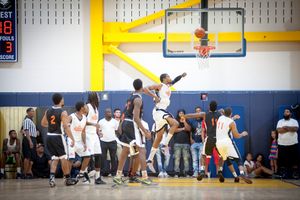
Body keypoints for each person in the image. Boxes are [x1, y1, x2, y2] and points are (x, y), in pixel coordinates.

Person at [113, 79, 157, 186]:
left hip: (125, 123)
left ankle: (118, 176)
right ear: (142, 86)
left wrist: (120, 124)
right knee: (142, 150)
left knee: (125, 151)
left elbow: (125, 112)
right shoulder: (138, 99)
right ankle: (145, 178)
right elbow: (137, 118)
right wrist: (145, 132)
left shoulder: (131, 97)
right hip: (132, 124)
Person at [143, 73, 186, 172]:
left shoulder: (167, 86)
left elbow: (174, 80)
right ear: (164, 79)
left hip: (161, 112)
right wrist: (155, 96)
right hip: (159, 111)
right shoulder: (160, 85)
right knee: (175, 123)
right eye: (168, 77)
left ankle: (149, 159)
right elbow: (145, 88)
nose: (170, 78)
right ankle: (165, 145)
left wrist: (181, 76)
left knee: (158, 137)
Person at [41, 93, 79, 187]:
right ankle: (68, 179)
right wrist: (72, 138)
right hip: (58, 137)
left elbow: (43, 123)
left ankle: (52, 179)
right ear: (61, 100)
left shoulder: (48, 111)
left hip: (49, 136)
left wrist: (52, 126)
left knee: (55, 159)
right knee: (64, 159)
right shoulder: (63, 112)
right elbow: (66, 126)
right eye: (63, 99)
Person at [182, 100, 225, 182]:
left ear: (209, 107)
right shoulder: (220, 115)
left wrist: (185, 116)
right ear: (216, 107)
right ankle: (220, 170)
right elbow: (227, 116)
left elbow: (192, 115)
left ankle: (202, 170)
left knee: (203, 155)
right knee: (221, 156)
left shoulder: (205, 114)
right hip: (218, 139)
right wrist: (222, 111)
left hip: (209, 138)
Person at [215, 107, 252, 184]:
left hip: (218, 143)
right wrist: (242, 134)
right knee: (238, 160)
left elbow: (226, 121)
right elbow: (236, 136)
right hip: (227, 142)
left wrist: (232, 117)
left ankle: (231, 175)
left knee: (226, 159)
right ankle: (242, 174)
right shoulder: (232, 123)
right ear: (231, 113)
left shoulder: (220, 117)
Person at [66, 101, 94, 183]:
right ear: (82, 108)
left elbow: (83, 132)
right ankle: (68, 177)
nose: (87, 107)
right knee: (71, 159)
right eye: (85, 106)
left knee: (88, 156)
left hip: (79, 142)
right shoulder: (71, 116)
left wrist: (84, 143)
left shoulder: (84, 118)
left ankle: (81, 172)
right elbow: (64, 125)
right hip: (71, 140)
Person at [85, 92, 106, 184]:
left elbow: (95, 122)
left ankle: (97, 178)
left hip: (94, 135)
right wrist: (93, 124)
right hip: (87, 134)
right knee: (88, 156)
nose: (99, 97)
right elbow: (82, 121)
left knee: (98, 155)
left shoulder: (96, 109)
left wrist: (99, 132)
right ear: (93, 97)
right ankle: (85, 175)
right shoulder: (87, 107)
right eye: (97, 96)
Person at [276, 108, 299, 179]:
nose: (285, 113)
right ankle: (282, 174)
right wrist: (290, 129)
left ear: (290, 114)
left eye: (287, 112)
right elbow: (279, 130)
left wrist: (286, 127)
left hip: (293, 144)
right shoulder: (280, 122)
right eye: (285, 112)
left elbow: (295, 129)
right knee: (282, 160)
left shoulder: (294, 121)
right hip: (282, 144)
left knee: (294, 160)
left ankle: (295, 173)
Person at [99, 108, 118, 176]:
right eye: (108, 112)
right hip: (103, 141)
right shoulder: (101, 122)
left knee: (113, 157)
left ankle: (114, 172)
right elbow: (99, 131)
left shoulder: (115, 122)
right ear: (105, 113)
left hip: (112, 141)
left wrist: (113, 137)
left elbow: (116, 131)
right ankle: (102, 172)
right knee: (102, 157)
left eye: (110, 112)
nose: (110, 113)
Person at [173, 109, 192, 178]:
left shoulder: (188, 121)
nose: (181, 114)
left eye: (182, 113)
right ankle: (176, 172)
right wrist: (183, 129)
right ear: (178, 114)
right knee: (177, 158)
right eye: (180, 113)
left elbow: (189, 129)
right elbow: (174, 130)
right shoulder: (175, 122)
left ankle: (186, 172)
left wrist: (184, 122)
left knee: (186, 158)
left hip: (186, 143)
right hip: (177, 143)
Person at [22, 108, 37, 179]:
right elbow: (26, 131)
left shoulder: (31, 121)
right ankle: (25, 173)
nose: (33, 112)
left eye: (33, 111)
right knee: (27, 157)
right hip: (29, 138)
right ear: (28, 112)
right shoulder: (27, 120)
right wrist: (30, 141)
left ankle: (28, 173)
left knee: (30, 157)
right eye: (32, 111)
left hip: (32, 138)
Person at [190, 107, 203, 178]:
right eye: (196, 111)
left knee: (201, 158)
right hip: (194, 143)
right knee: (194, 159)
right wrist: (191, 139)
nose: (198, 112)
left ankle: (201, 171)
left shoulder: (204, 121)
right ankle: (195, 172)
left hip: (201, 143)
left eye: (199, 111)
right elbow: (191, 132)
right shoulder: (193, 122)